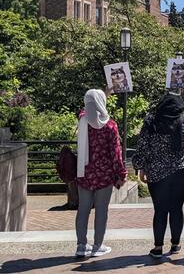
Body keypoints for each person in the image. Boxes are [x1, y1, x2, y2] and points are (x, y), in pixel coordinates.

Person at [132, 83, 184, 259]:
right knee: (176, 209)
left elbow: (142, 146)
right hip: (181, 172)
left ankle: (158, 247)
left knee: (160, 209)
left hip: (156, 174)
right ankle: (175, 244)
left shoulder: (151, 121)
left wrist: (141, 167)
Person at [75, 88, 127, 258]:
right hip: (104, 175)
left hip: (84, 173)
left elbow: (87, 108)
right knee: (102, 211)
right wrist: (121, 174)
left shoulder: (82, 120)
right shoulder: (110, 125)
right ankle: (98, 246)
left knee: (83, 210)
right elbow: (116, 153)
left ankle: (81, 245)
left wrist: (103, 94)